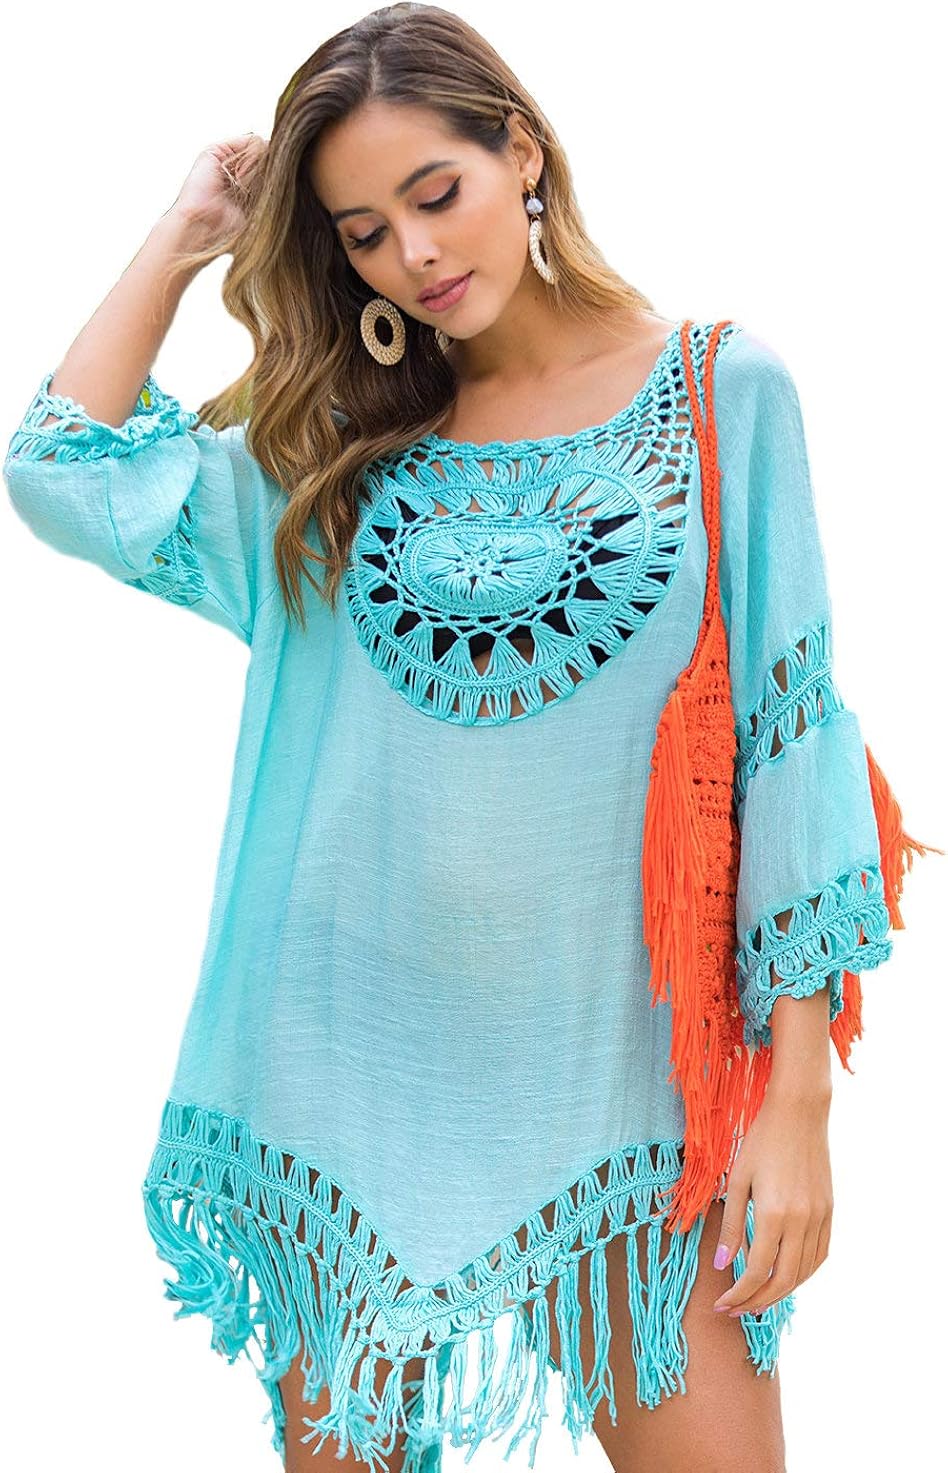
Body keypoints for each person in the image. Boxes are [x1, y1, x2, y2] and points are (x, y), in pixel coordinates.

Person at [3, 6, 939, 1472]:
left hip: (623, 1093)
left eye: (436, 195)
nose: (417, 256)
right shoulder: (335, 453)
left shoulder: (719, 394)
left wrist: (800, 1094)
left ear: (522, 154)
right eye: (364, 233)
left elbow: (790, 739)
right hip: (348, 1082)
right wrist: (187, 233)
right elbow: (61, 470)